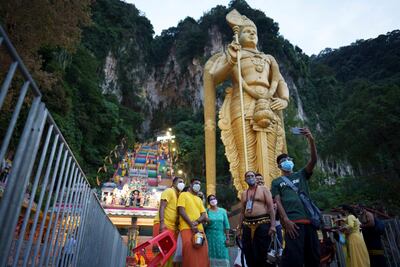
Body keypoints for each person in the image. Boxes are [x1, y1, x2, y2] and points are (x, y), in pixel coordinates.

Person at [204, 9, 290, 195]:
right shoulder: (234, 54)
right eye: (247, 31)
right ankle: (249, 193)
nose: (252, 34)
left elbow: (280, 81)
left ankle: (273, 195)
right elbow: (214, 77)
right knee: (246, 151)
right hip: (242, 102)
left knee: (270, 153)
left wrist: (283, 98)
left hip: (268, 104)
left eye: (254, 32)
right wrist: (231, 60)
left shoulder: (268, 58)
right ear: (239, 35)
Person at [271, 127, 320, 267]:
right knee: (294, 258)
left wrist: (311, 140)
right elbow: (277, 201)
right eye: (283, 160)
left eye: (288, 158)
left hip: (309, 221)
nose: (287, 161)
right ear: (279, 166)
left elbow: (314, 160)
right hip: (293, 223)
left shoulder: (301, 174)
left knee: (314, 257)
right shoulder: (277, 182)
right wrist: (285, 220)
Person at [238, 170, 276, 267]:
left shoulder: (264, 189)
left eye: (252, 176)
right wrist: (239, 228)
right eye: (248, 176)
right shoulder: (243, 193)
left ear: (255, 178)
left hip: (262, 223)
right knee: (248, 250)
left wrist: (273, 225)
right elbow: (242, 212)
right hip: (247, 224)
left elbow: (271, 208)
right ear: (245, 180)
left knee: (261, 251)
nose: (250, 178)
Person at [177, 179, 210, 267]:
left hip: (199, 229)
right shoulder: (183, 195)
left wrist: (196, 222)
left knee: (203, 252)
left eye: (199, 184)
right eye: (196, 183)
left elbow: (203, 214)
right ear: (191, 185)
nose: (198, 185)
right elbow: (181, 210)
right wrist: (191, 224)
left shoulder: (198, 199)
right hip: (186, 228)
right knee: (189, 252)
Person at [153, 177, 185, 266]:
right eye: (180, 181)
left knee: (169, 254)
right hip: (164, 225)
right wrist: (162, 223)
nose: (182, 183)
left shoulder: (179, 195)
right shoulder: (169, 191)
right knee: (161, 253)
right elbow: (162, 206)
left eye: (183, 182)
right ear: (174, 183)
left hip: (172, 228)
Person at [205, 194, 231, 267]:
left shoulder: (222, 211)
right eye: (210, 199)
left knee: (223, 254)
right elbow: (204, 225)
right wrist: (207, 222)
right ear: (208, 202)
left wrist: (227, 238)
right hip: (210, 237)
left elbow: (226, 225)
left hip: (221, 237)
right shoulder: (206, 211)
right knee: (210, 255)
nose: (213, 200)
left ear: (217, 200)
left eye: (214, 198)